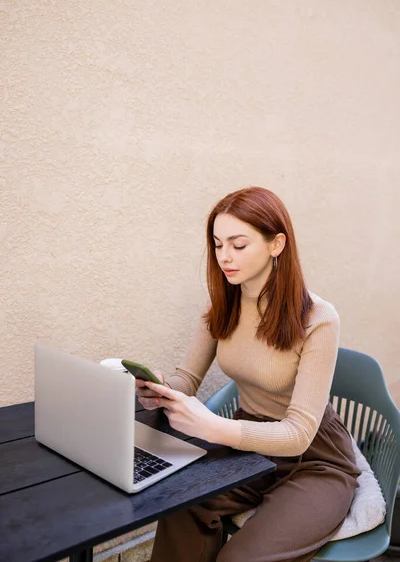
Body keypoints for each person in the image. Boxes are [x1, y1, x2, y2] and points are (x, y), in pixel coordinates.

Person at [136, 186, 360, 562]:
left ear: (276, 244)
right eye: (218, 244)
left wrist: (211, 427)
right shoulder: (223, 303)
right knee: (179, 505)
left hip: (314, 460)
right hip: (248, 444)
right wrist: (157, 389)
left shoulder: (319, 318)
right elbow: (186, 380)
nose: (225, 257)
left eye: (238, 246)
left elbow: (299, 435)